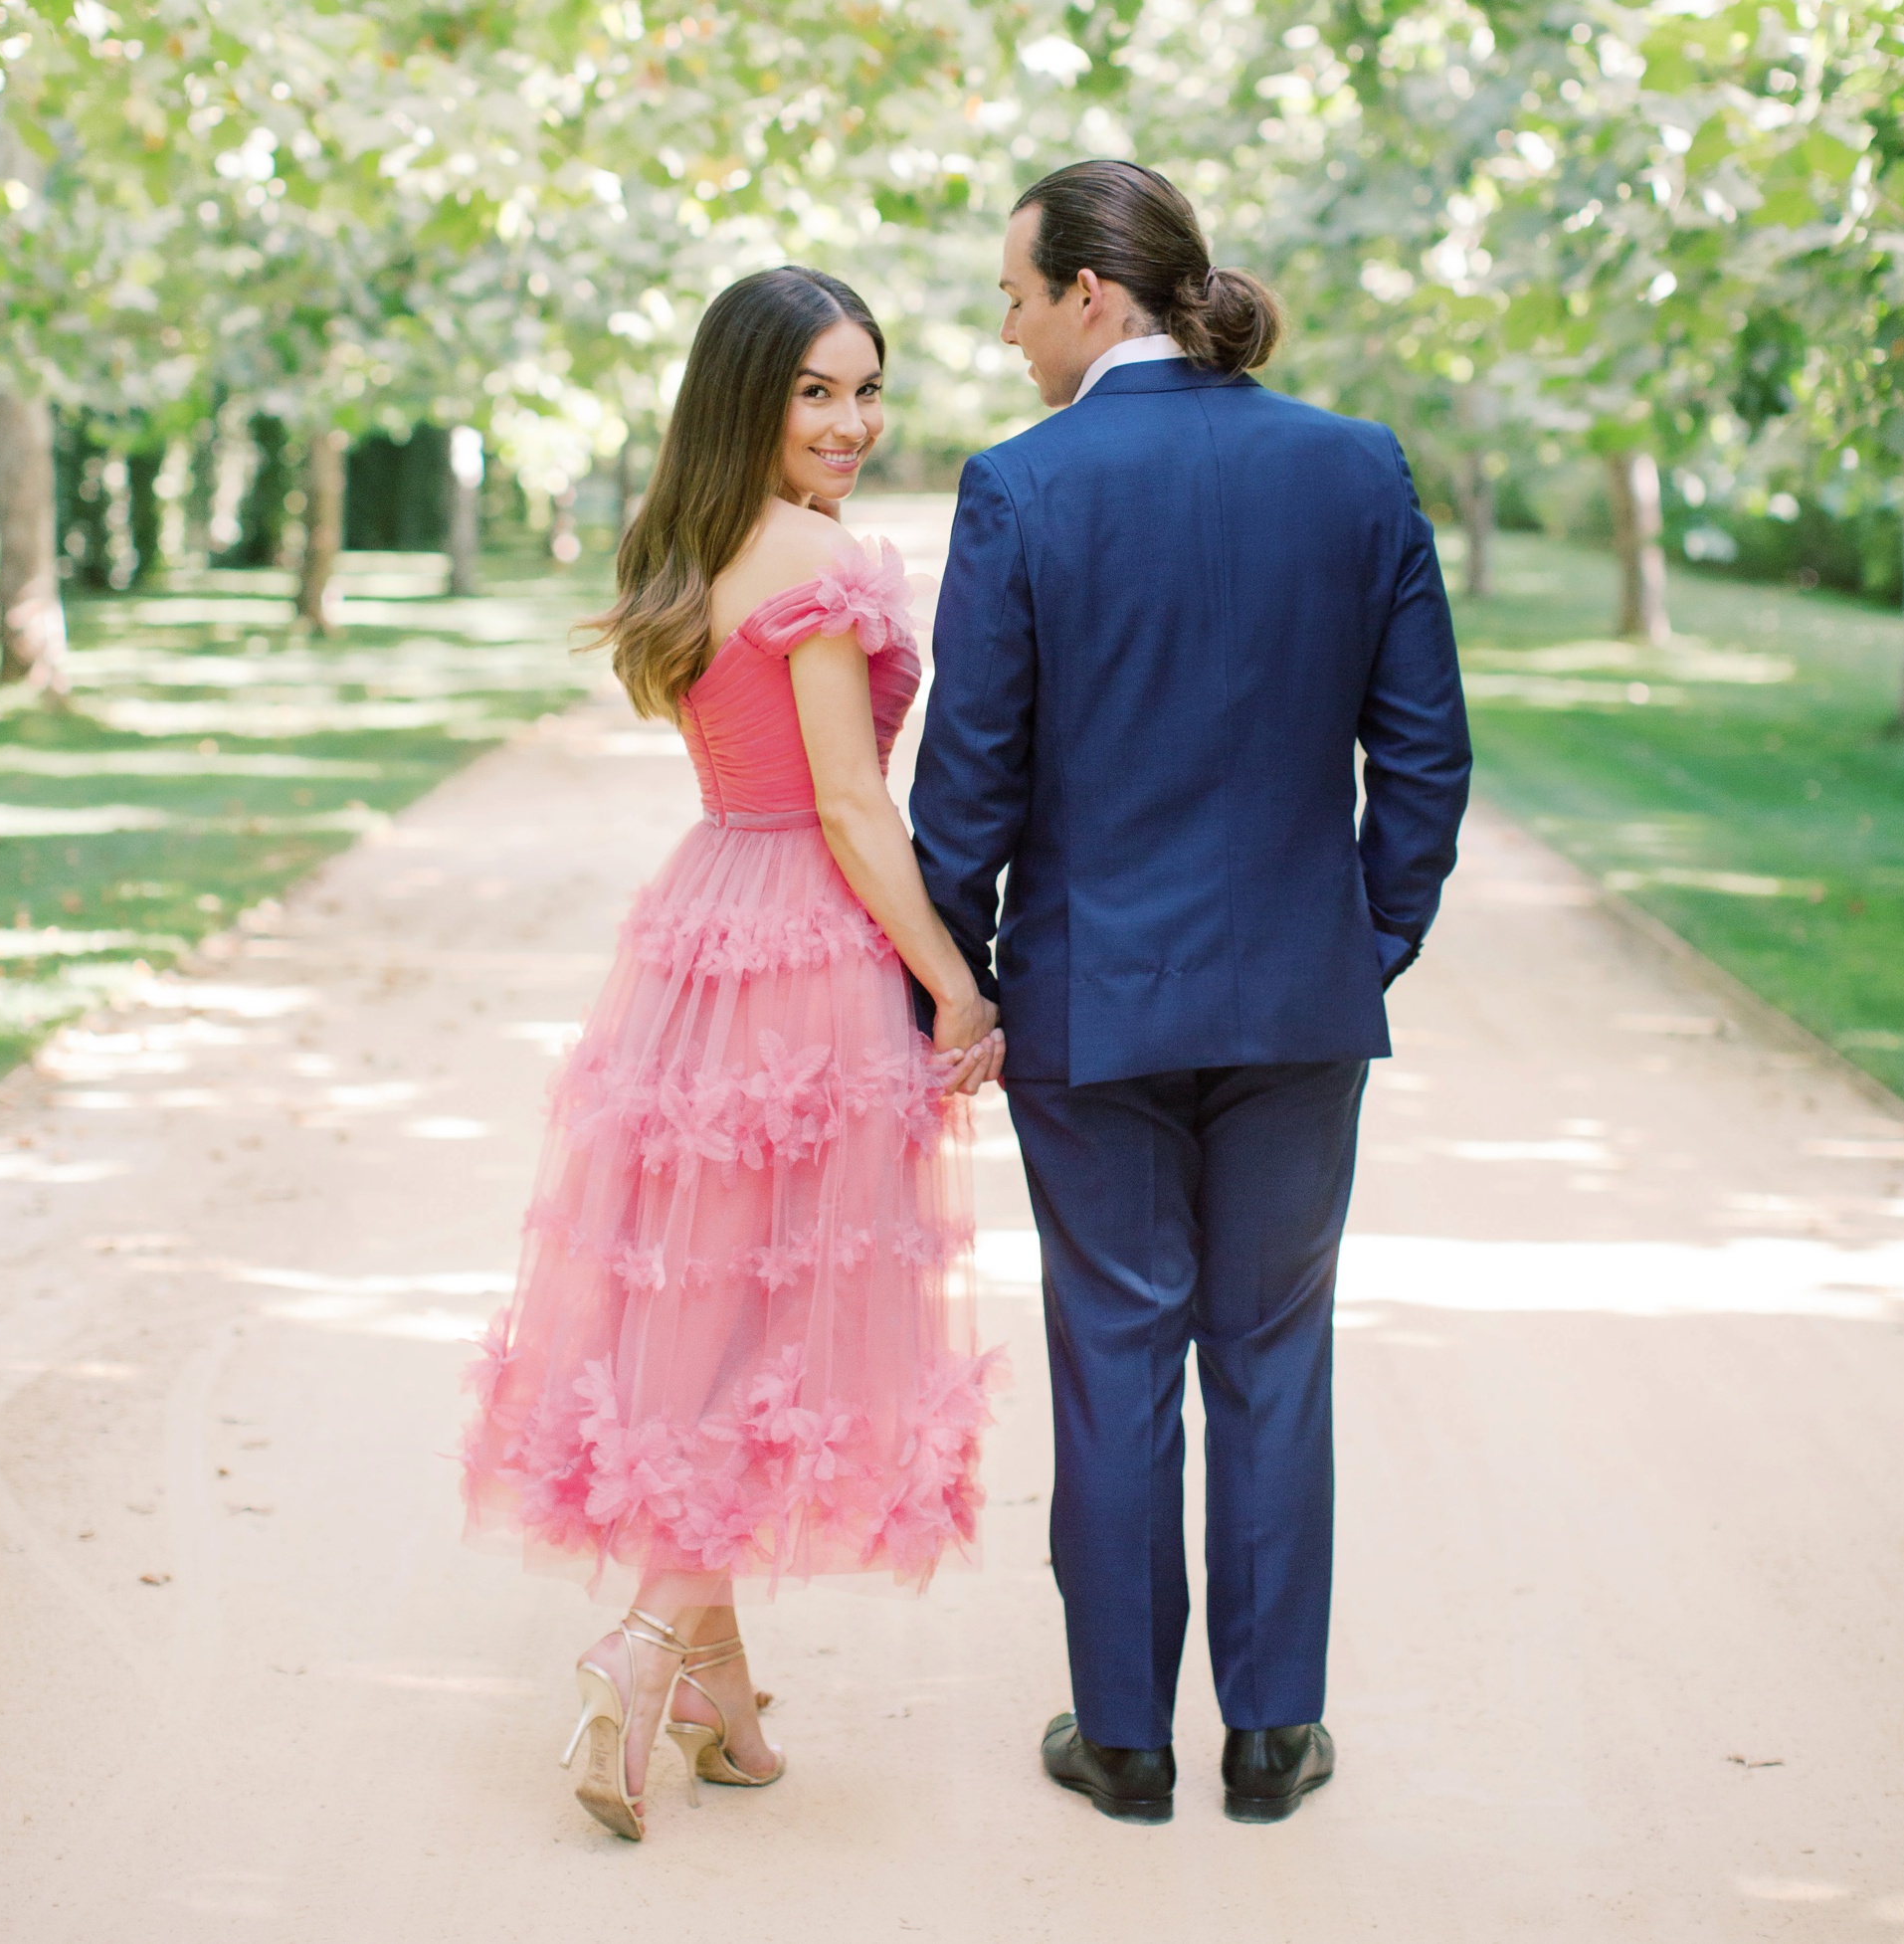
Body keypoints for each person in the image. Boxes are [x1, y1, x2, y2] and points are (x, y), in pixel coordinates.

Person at [911, 161, 1469, 1828]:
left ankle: (1126, 1738)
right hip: (1300, 1004)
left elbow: (968, 789)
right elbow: (1424, 756)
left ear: (1094, 292)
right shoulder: (1354, 467)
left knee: (1115, 1354)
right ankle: (1273, 1736)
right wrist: (1362, 940)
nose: (1007, 332)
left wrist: (957, 981)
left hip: (1095, 1009)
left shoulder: (1022, 489)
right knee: (1274, 1354)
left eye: (1014, 295)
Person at [462, 266, 1003, 1844]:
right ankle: (641, 1651)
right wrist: (953, 988)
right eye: (817, 391)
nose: (852, 421)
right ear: (749, 398)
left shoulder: (688, 547)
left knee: (703, 1305)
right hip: (811, 953)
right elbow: (849, 803)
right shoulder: (818, 561)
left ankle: (728, 1712)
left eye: (865, 388)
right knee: (777, 1315)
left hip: (704, 926)